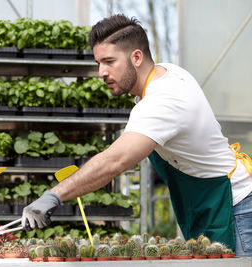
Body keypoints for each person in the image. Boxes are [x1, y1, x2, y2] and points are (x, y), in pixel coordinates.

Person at [21, 13, 252, 256]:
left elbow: (115, 160)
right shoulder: (166, 73)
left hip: (235, 209)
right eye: (99, 63)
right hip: (216, 205)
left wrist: (54, 195)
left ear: (137, 57)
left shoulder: (163, 99)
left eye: (109, 61)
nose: (101, 72)